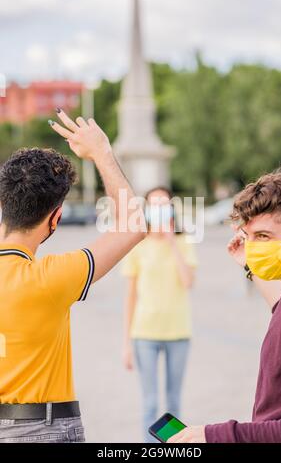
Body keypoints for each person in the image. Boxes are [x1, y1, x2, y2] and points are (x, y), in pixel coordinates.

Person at [0, 109, 145, 443]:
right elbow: (134, 226)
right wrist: (101, 153)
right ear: (56, 218)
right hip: (42, 427)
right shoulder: (50, 278)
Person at [169, 168, 281, 443]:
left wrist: (214, 436)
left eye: (263, 236)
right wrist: (251, 265)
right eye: (248, 236)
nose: (253, 246)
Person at [121, 187, 198, 442]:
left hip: (178, 332)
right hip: (144, 334)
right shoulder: (138, 245)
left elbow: (188, 281)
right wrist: (126, 344)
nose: (159, 208)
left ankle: (173, 447)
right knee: (150, 403)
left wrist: (172, 241)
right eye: (154, 204)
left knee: (174, 402)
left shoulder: (185, 242)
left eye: (164, 204)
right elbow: (130, 296)